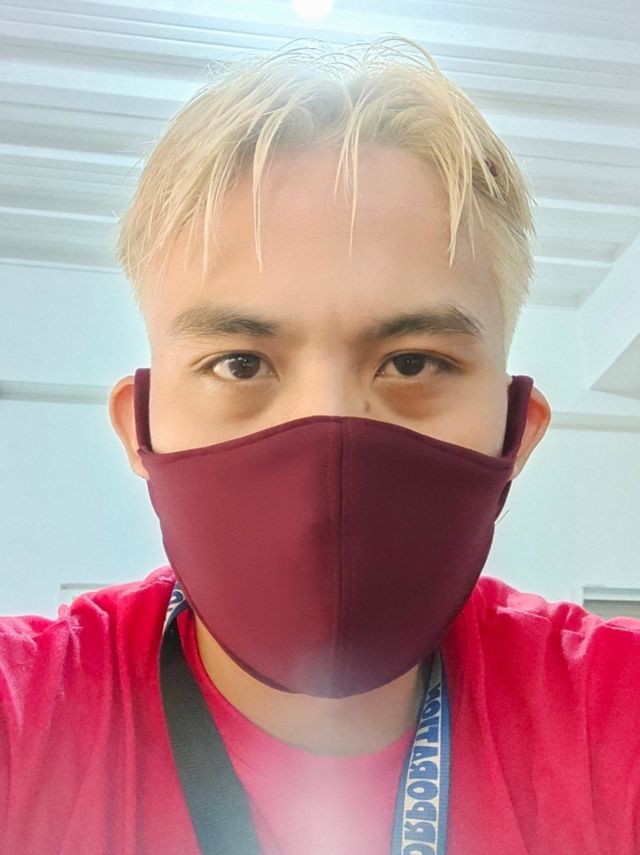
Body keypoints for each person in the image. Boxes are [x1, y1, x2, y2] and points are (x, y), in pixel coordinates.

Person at [1, 34, 638, 855]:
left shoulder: (612, 710)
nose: (327, 433)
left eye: (413, 361)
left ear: (517, 435)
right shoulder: (27, 716)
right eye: (240, 362)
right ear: (140, 427)